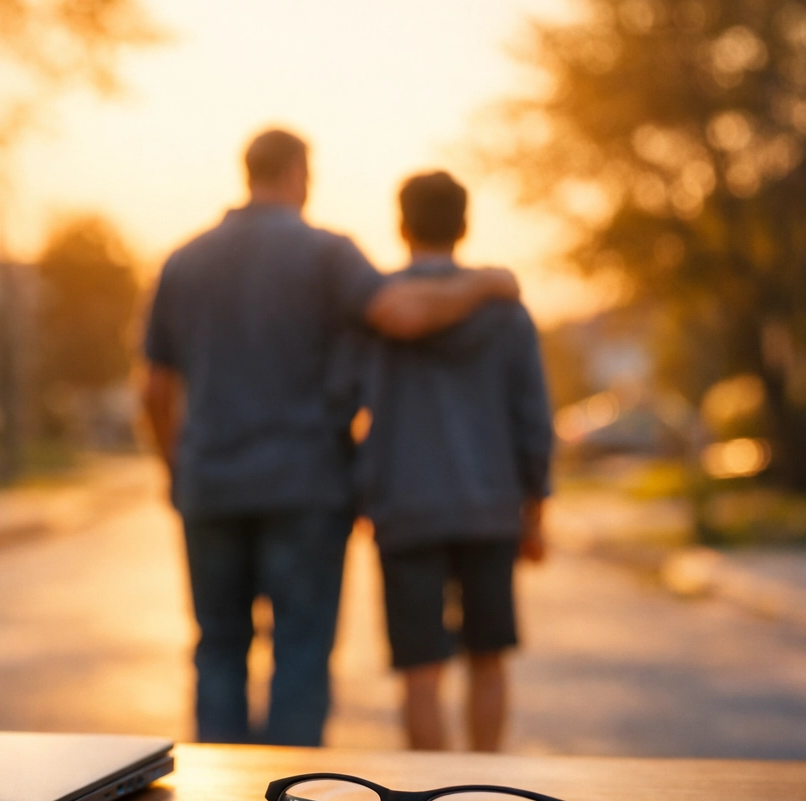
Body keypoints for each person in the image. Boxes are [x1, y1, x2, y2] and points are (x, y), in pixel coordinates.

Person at [140, 130, 520, 747]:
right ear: (297, 174)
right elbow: (402, 314)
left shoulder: (184, 261)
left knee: (218, 650)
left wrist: (175, 469)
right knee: (301, 652)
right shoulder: (326, 255)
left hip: (210, 485)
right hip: (306, 488)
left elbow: (155, 389)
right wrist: (487, 284)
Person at [346, 170, 553, 752]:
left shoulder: (379, 312)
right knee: (488, 661)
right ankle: (487, 797)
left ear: (402, 224)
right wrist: (534, 512)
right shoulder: (506, 312)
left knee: (421, 673)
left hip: (404, 508)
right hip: (490, 509)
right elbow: (533, 423)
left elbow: (341, 406)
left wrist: (361, 491)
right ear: (465, 225)